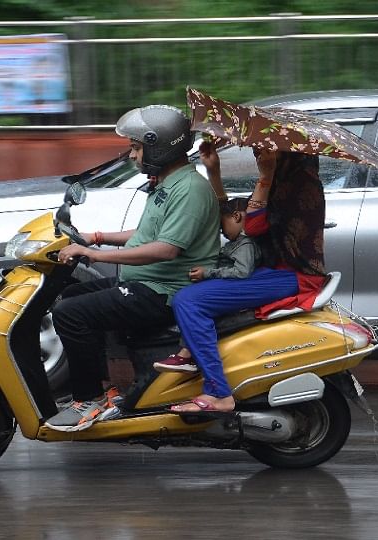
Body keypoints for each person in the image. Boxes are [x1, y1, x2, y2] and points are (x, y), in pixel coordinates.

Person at [45, 105, 221, 432]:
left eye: (137, 148)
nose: (132, 155)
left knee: (70, 313)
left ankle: (90, 399)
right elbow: (145, 235)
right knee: (70, 296)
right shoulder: (167, 184)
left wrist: (95, 255)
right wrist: (96, 237)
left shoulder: (189, 190)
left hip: (164, 292)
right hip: (146, 284)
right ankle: (106, 387)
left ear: (158, 147)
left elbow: (166, 249)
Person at [164, 142, 327, 413]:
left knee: (189, 301)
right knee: (200, 291)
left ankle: (219, 393)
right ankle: (192, 350)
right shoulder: (282, 180)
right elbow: (234, 220)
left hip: (294, 277)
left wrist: (265, 175)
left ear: (289, 153)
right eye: (257, 151)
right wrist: (214, 171)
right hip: (275, 272)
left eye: (266, 150)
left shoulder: (298, 185)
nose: (259, 155)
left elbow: (251, 225)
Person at [153, 197, 260, 410]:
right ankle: (187, 353)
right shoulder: (235, 243)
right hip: (228, 284)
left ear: (236, 217)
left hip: (238, 286)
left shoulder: (245, 244)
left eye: (222, 225)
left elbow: (241, 272)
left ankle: (195, 362)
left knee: (191, 303)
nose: (222, 232)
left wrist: (209, 273)